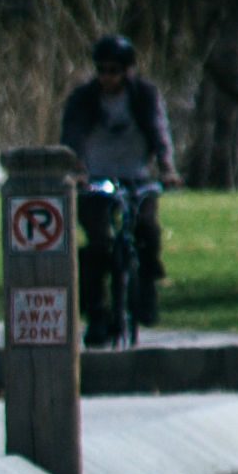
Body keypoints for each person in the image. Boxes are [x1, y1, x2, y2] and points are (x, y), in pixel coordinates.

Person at [60, 32, 173, 319]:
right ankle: (95, 309)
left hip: (136, 176)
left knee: (146, 228)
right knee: (98, 242)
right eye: (101, 70)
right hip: (95, 178)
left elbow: (159, 133)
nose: (106, 77)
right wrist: (76, 171)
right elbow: (72, 136)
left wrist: (167, 168)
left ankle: (146, 287)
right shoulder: (83, 98)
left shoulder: (143, 95)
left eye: (113, 70)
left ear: (127, 70)